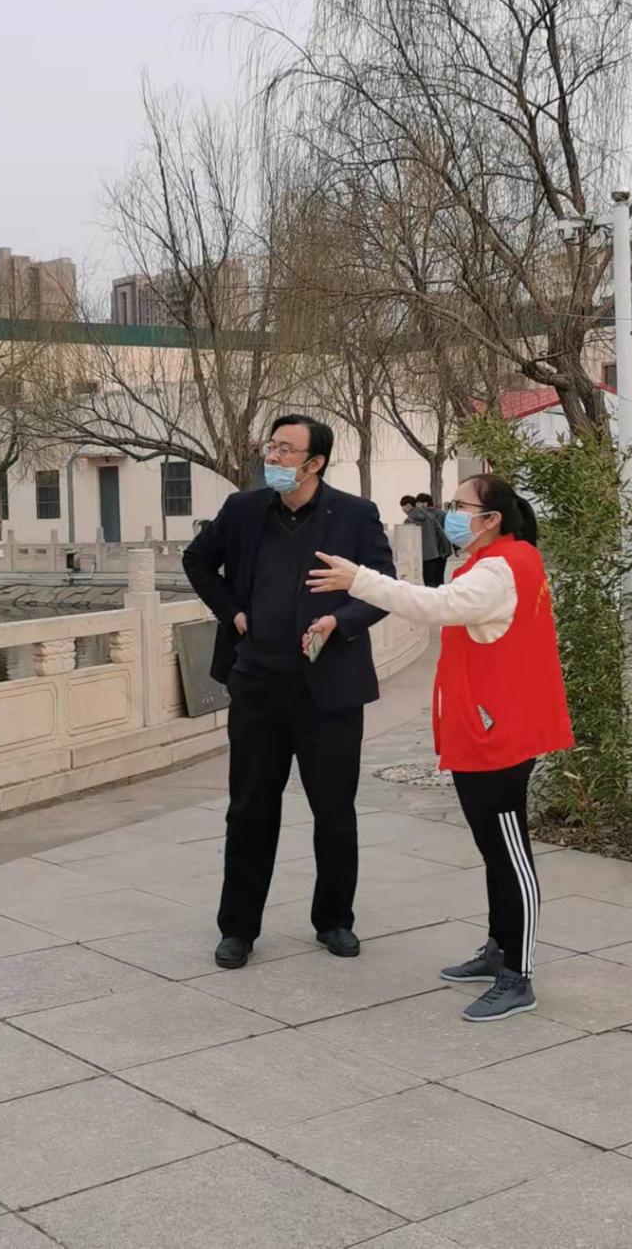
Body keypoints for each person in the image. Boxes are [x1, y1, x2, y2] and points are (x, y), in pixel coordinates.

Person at [310, 474, 573, 1022]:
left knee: (510, 855)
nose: (452, 513)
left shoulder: (501, 569)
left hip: (501, 736)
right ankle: (499, 947)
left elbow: (434, 606)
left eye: (460, 505)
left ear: (491, 518)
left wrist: (360, 580)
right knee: (494, 851)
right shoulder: (502, 559)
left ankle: (518, 975)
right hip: (487, 728)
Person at [183, 414, 396, 970]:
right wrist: (232, 612)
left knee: (334, 811)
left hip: (330, 690)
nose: (273, 458)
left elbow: (382, 588)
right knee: (249, 809)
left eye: (285, 450)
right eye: (271, 447)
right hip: (257, 683)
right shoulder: (243, 509)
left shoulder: (355, 515)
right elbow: (196, 561)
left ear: (315, 463)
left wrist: (339, 622)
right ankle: (238, 928)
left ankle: (334, 920)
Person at [400, 494, 449, 588]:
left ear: (408, 506)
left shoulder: (408, 521)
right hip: (434, 554)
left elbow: (408, 542)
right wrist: (445, 549)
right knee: (437, 581)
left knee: (427, 584)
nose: (403, 510)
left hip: (421, 556)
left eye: (403, 507)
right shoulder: (430, 516)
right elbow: (440, 533)